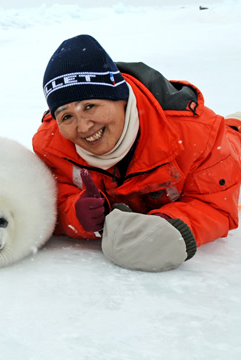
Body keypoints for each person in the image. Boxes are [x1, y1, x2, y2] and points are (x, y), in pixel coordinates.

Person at [33, 34, 241, 272]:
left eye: (90, 106)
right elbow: (50, 202)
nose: (83, 127)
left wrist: (169, 224)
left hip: (228, 143)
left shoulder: (197, 133)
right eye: (66, 116)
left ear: (120, 98)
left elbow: (214, 204)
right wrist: (76, 214)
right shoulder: (50, 147)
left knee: (234, 141)